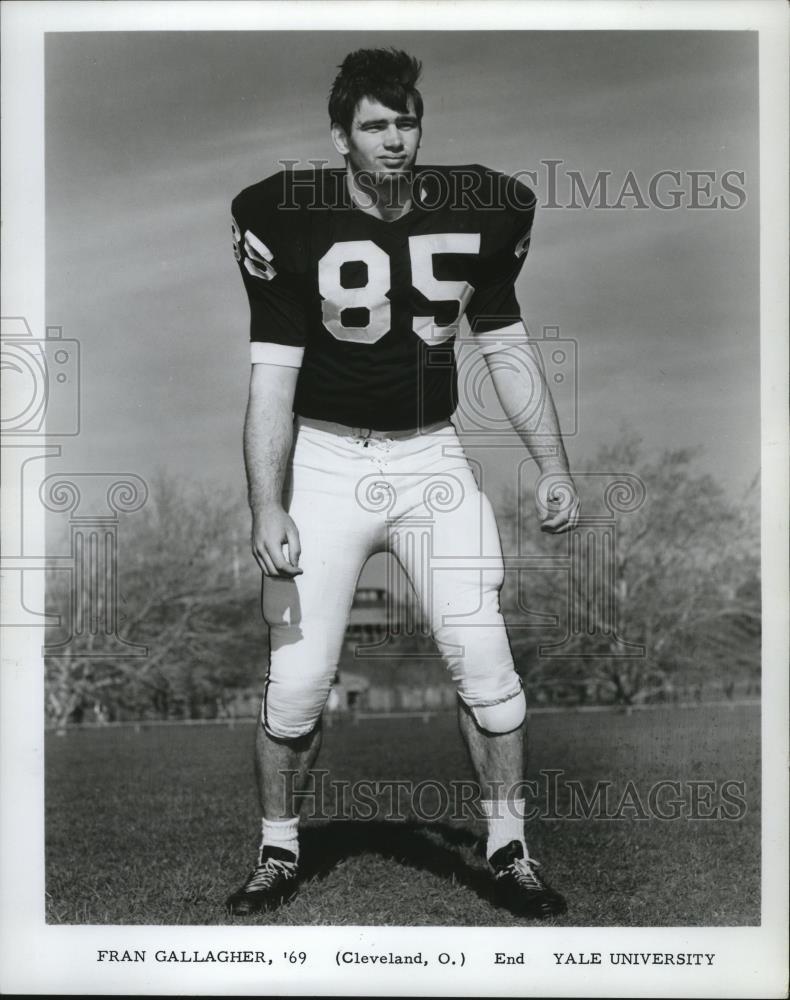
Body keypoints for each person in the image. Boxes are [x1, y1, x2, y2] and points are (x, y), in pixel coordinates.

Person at [227, 48, 580, 919]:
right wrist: (267, 502)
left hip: (431, 458)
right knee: (301, 682)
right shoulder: (283, 214)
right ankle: (278, 850)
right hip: (325, 459)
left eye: (406, 122)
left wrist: (553, 465)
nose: (395, 140)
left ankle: (508, 847)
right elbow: (272, 374)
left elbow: (505, 347)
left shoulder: (483, 206)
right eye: (376, 126)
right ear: (341, 136)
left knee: (487, 665)